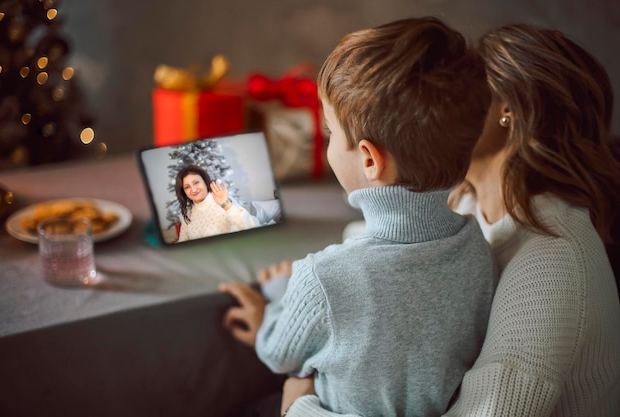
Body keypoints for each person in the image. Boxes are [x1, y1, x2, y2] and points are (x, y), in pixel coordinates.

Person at [280, 23, 620, 417]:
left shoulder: (552, 264)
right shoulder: (468, 201)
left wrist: (299, 409)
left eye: (472, 82)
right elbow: (392, 245)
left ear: (509, 111)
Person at [220, 17, 497, 417]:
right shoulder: (477, 249)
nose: (329, 144)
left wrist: (273, 303)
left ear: (369, 159)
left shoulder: (324, 277)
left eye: (331, 134)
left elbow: (281, 355)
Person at [175, 164, 259, 242]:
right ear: (184, 192)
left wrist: (226, 206)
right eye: (187, 187)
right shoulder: (187, 214)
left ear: (205, 182)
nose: (193, 190)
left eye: (196, 182)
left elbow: (252, 227)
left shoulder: (224, 201)